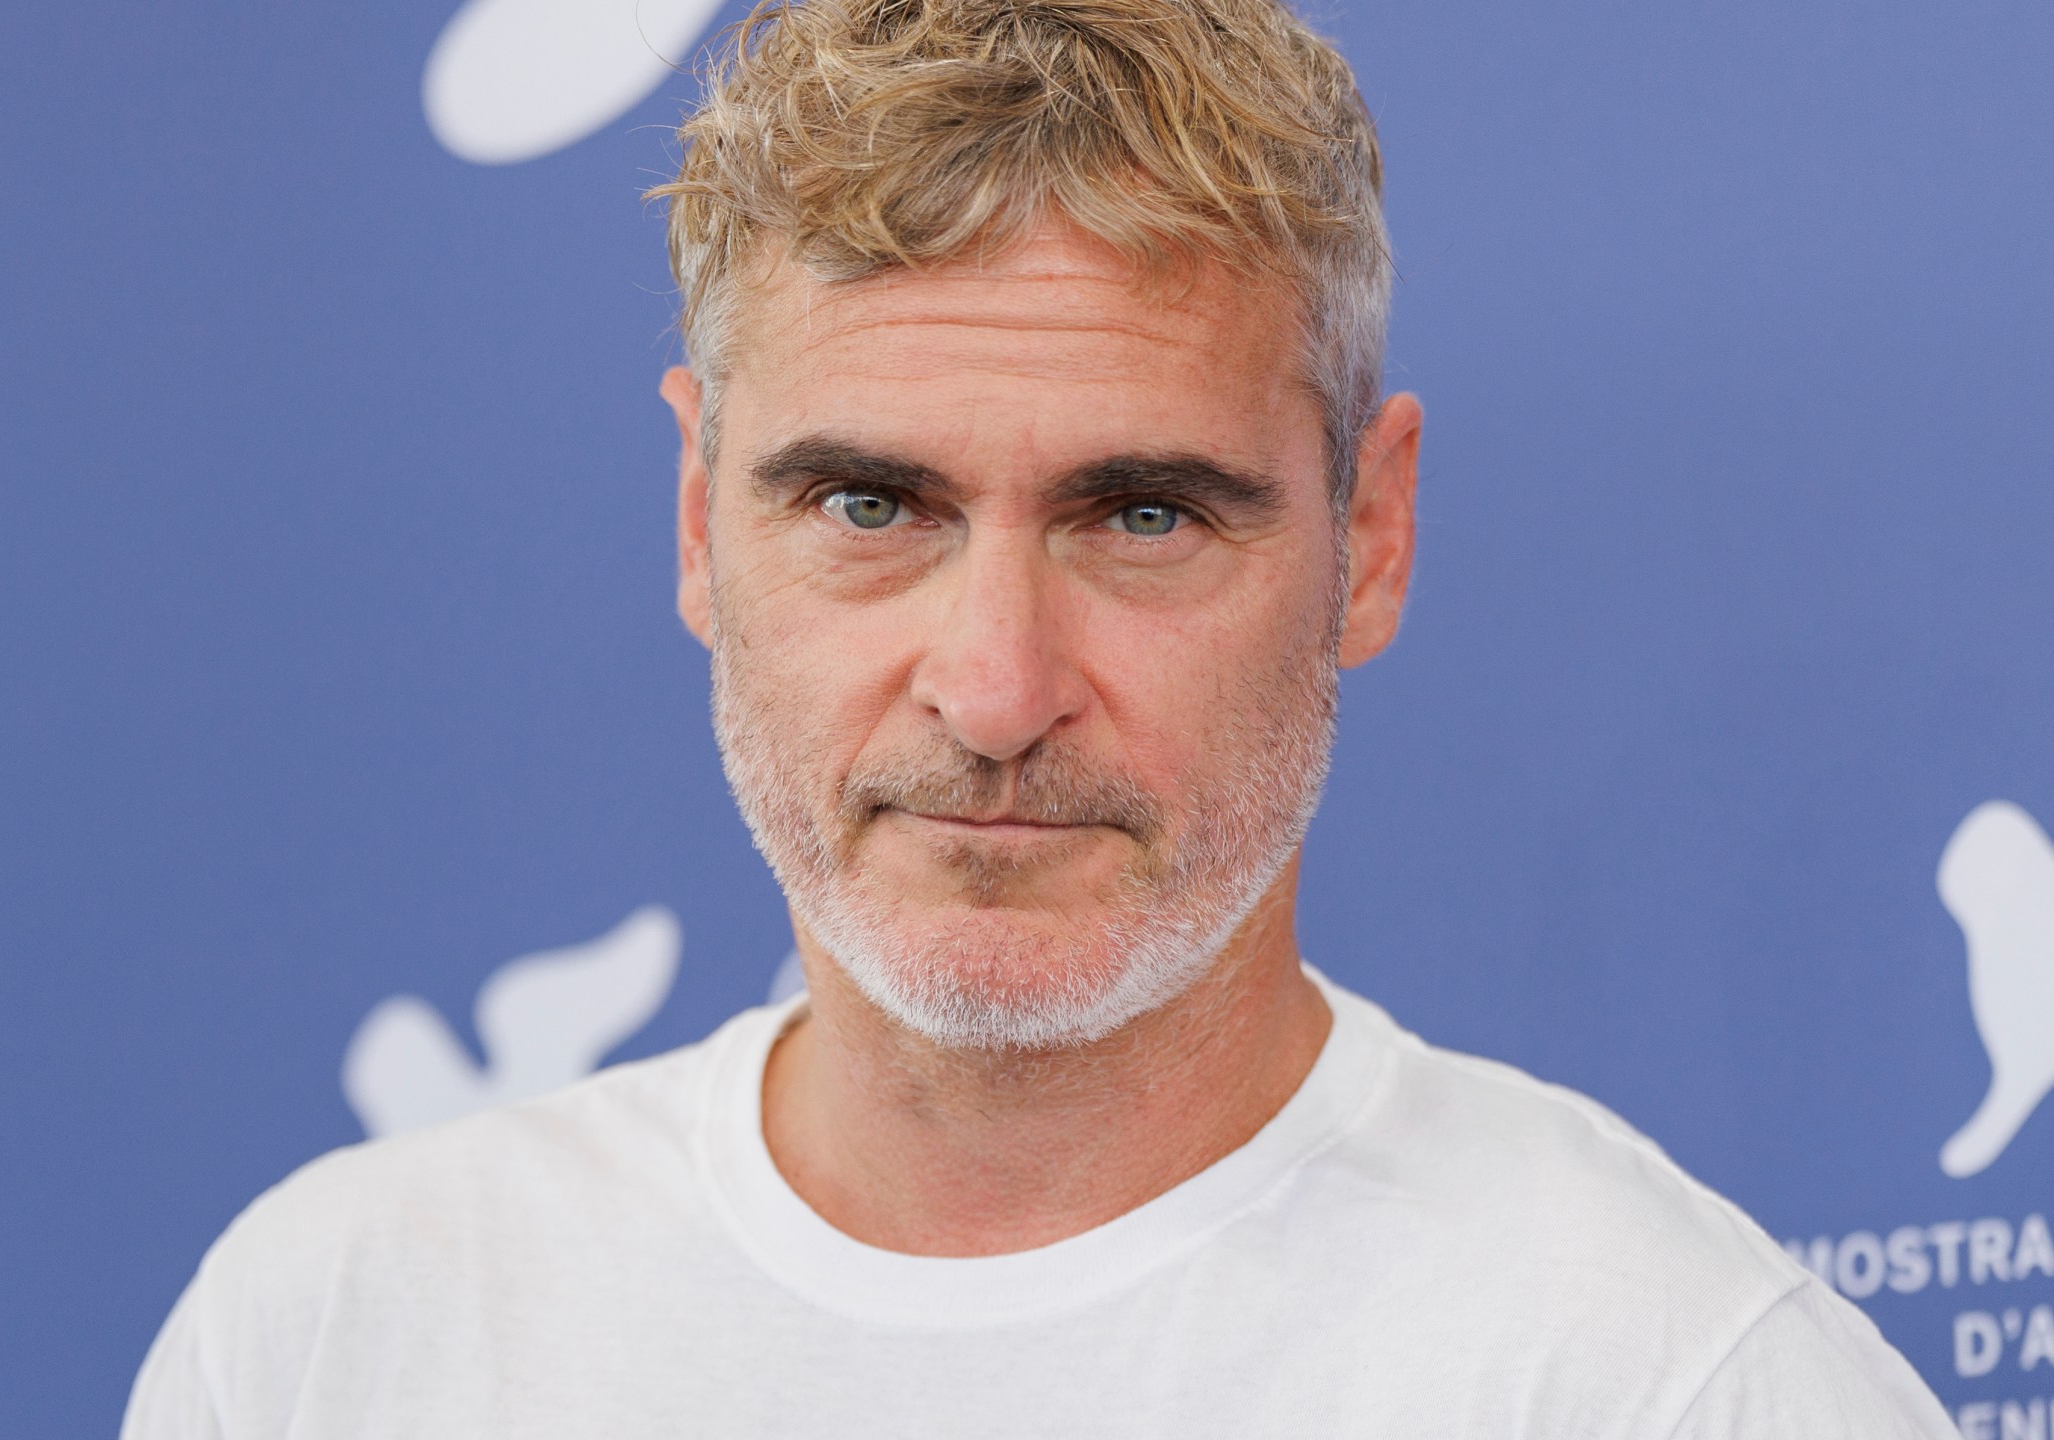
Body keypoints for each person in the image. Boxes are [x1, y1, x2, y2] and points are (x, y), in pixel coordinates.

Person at [125, 0, 1958, 1433]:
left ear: (1370, 541)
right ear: (698, 519)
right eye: (869, 507)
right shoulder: (334, 1337)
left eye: (1143, 514)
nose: (995, 688)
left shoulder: (1664, 1385)